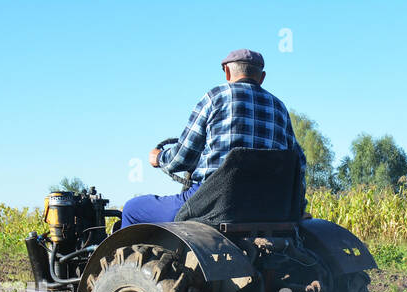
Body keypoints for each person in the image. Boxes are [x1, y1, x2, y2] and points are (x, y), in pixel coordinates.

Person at [119, 49, 304, 228]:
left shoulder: (215, 97)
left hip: (213, 205)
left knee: (132, 209)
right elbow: (299, 163)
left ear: (227, 72)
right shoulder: (279, 108)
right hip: (269, 207)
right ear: (262, 77)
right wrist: (297, 207)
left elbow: (182, 158)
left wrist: (159, 158)